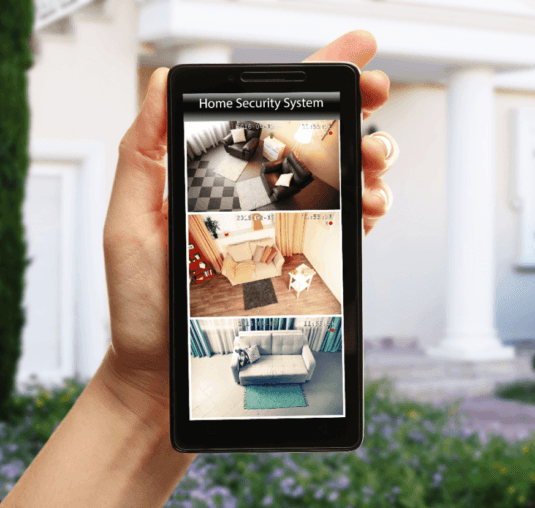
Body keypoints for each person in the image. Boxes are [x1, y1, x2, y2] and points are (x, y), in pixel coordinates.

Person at [1, 30, 397, 508]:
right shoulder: (228, 198)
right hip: (247, 197)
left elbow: (273, 207)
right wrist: (142, 383)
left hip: (266, 195)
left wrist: (140, 388)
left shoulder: (271, 189)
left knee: (282, 195)